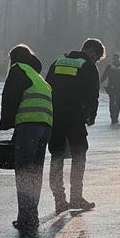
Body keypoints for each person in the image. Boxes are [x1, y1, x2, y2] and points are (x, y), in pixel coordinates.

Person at [46, 38, 105, 213]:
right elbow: (92, 95)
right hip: (74, 118)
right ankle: (76, 197)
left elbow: (47, 86)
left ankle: (59, 200)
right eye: (97, 59)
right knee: (79, 154)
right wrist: (90, 116)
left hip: (55, 117)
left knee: (56, 157)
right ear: (92, 52)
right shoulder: (88, 66)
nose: (95, 62)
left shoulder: (57, 62)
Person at [0, 44, 53, 233]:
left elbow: (10, 97)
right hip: (45, 126)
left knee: (23, 171)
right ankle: (32, 216)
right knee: (35, 171)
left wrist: (5, 123)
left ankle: (25, 219)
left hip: (29, 126)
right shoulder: (36, 75)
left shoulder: (18, 69)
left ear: (14, 58)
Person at [100, 53, 120, 123]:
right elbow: (104, 76)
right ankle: (112, 116)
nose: (115, 60)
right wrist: (98, 83)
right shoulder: (109, 67)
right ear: (112, 59)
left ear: (119, 59)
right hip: (111, 87)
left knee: (118, 103)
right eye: (114, 58)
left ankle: (116, 117)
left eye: (116, 58)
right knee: (112, 102)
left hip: (119, 88)